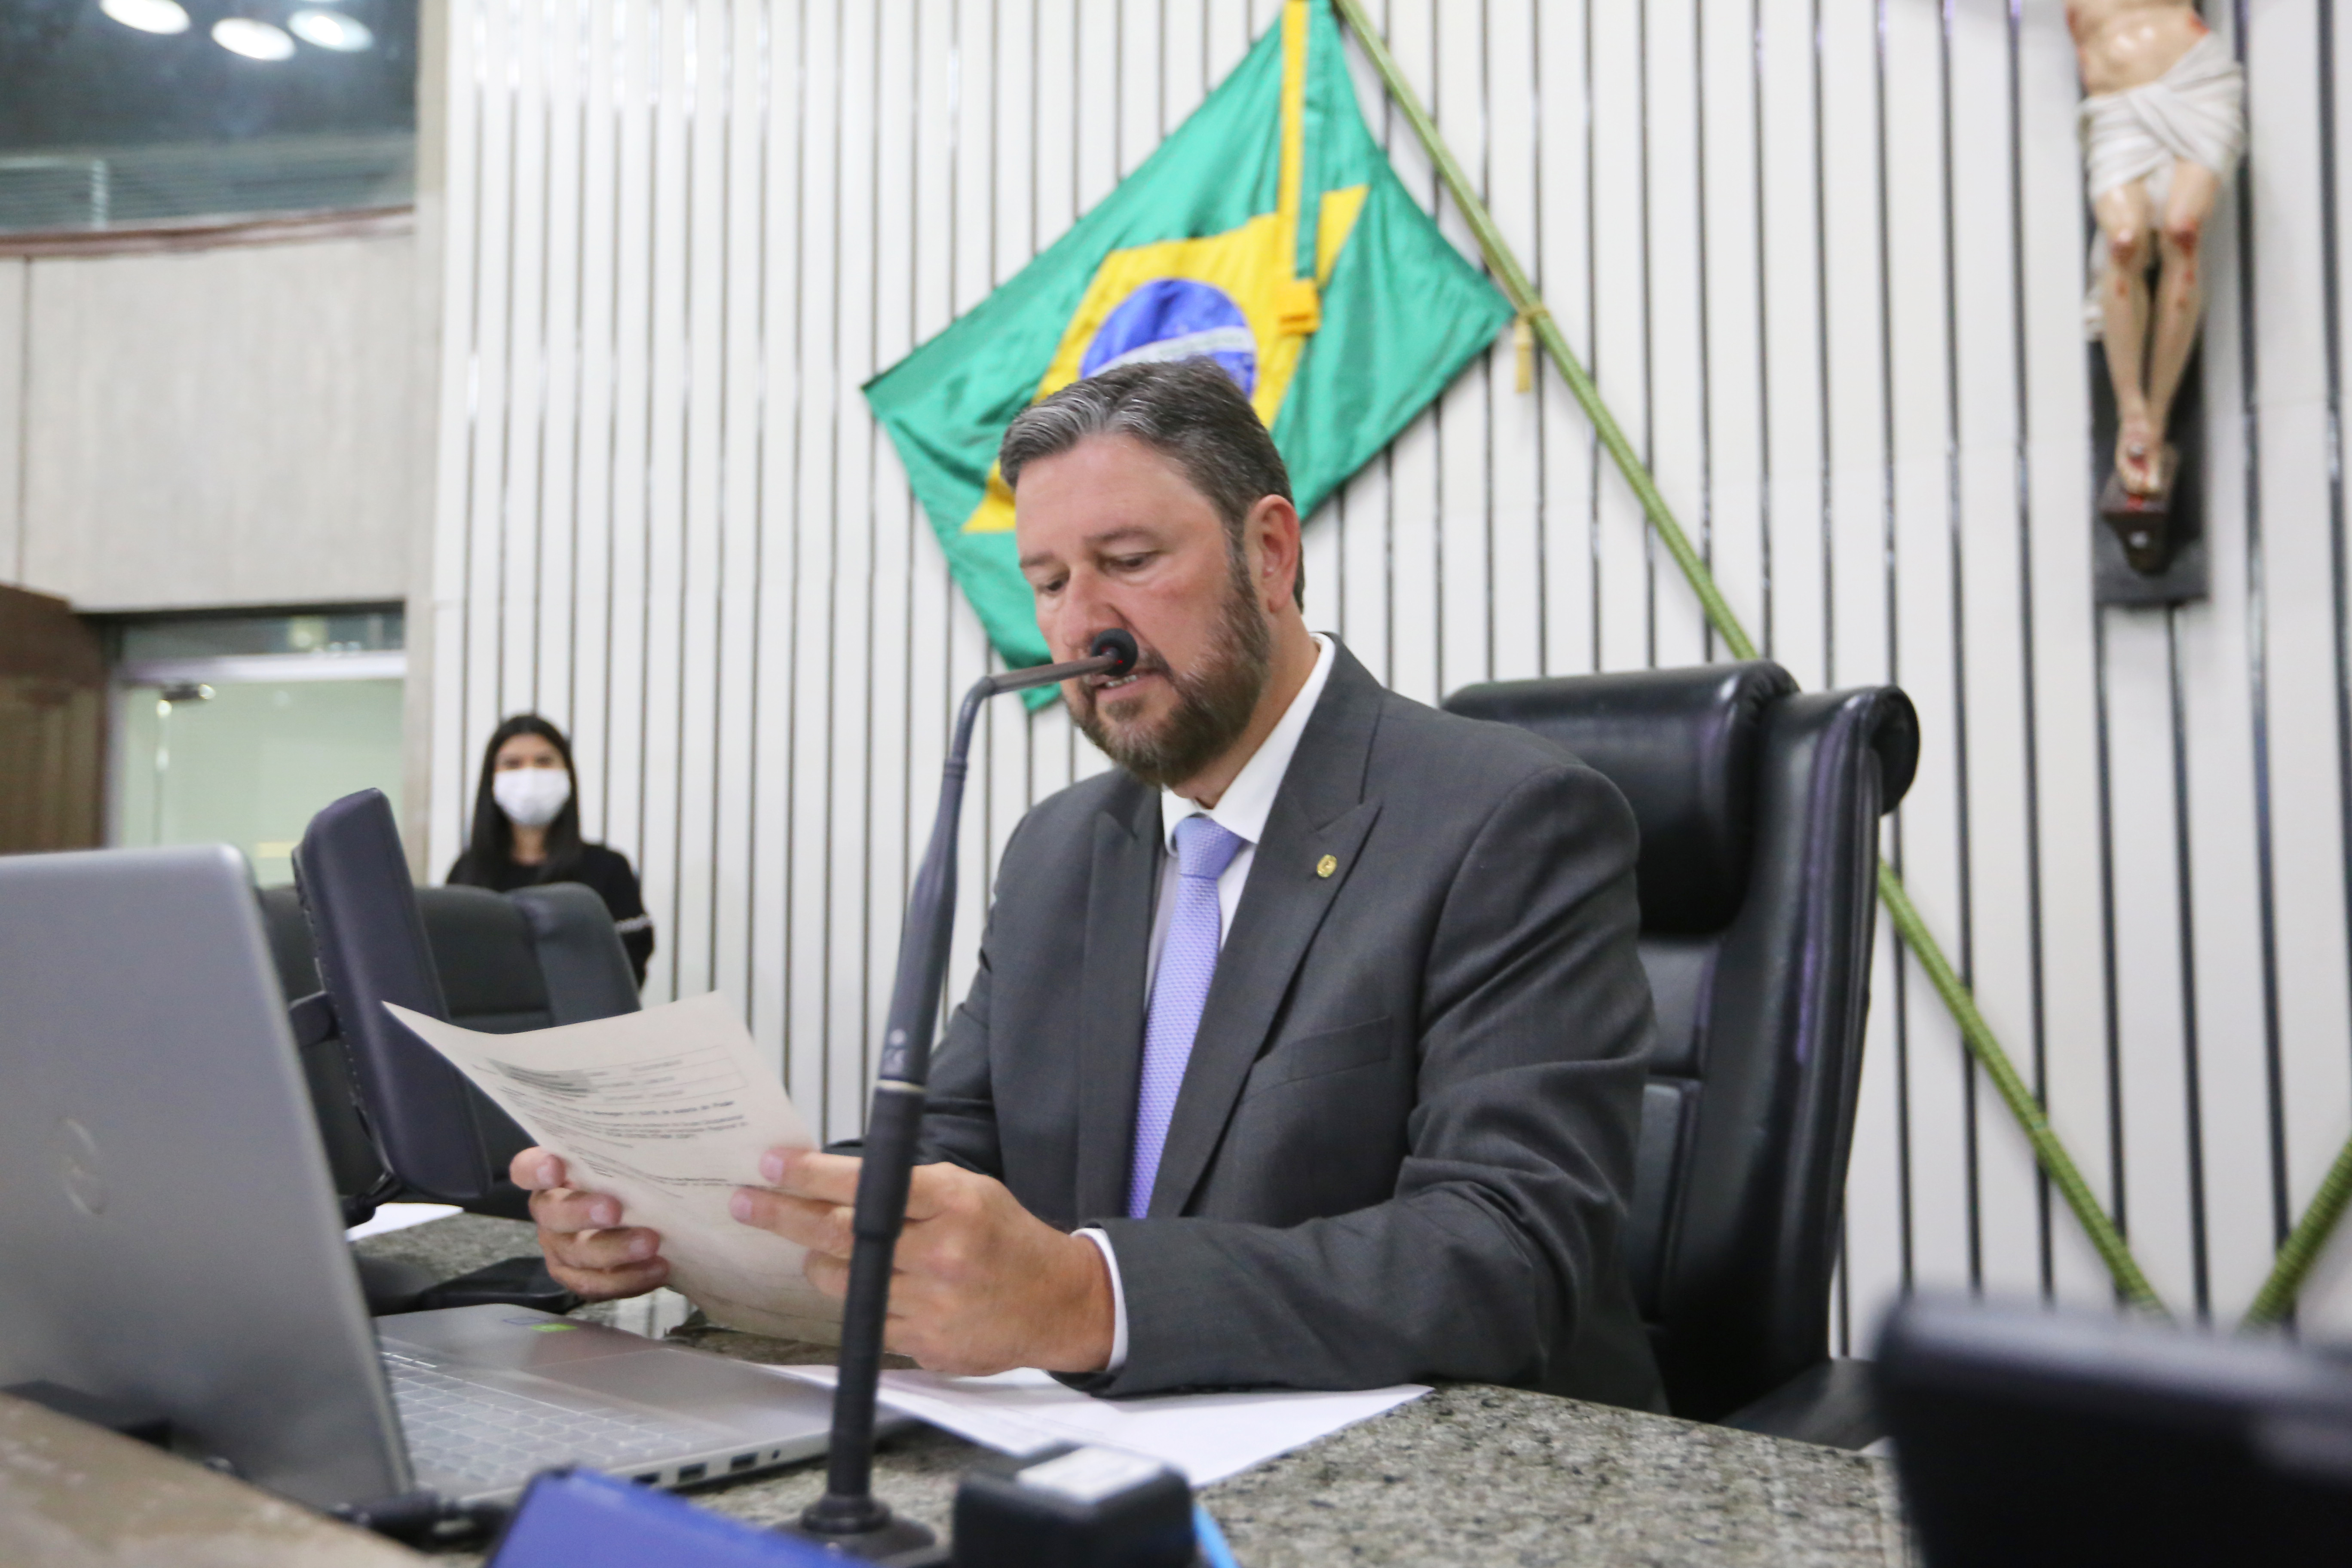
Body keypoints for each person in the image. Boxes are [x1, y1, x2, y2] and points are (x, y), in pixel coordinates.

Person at [515, 359, 1663, 1408]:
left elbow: (1507, 1251)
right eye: (1050, 581)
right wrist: (707, 1223)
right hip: (1102, 1447)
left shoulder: (1507, 819)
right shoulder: (1058, 848)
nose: (1081, 625)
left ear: (1270, 554)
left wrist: (1086, 1298)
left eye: (1128, 562)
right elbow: (952, 1153)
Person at [2073, 0, 2245, 503]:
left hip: (2194, 84)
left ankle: (2157, 416)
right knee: (2124, 242)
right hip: (2116, 109)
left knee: (2183, 231)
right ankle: (2132, 413)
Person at [447, 715, 655, 987]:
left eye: (544, 761)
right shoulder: (467, 871)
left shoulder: (608, 868)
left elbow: (629, 965)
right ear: (492, 778)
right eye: (512, 764)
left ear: (567, 773)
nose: (529, 776)